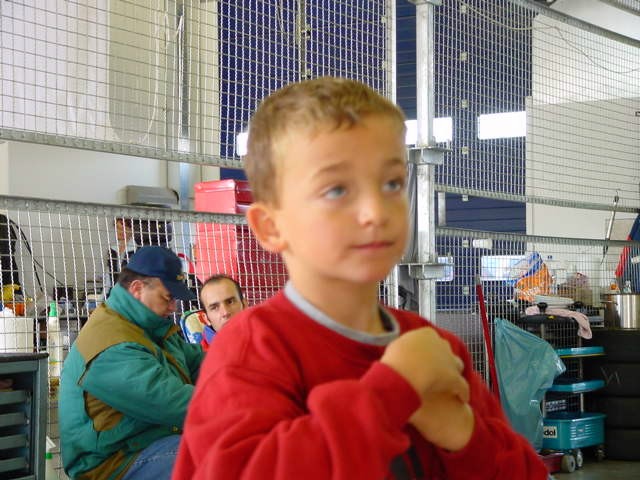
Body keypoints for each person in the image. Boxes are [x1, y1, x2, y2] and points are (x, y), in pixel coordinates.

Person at [173, 77, 547, 479]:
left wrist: (463, 433)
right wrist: (393, 391)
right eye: (336, 189)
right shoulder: (252, 350)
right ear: (271, 226)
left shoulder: (433, 346)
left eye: (391, 183)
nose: (375, 210)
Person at [59, 245, 205, 480]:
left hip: (152, 439)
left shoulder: (149, 326)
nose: (173, 307)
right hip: (113, 461)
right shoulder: (111, 343)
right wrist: (242, 404)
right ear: (137, 289)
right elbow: (174, 403)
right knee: (216, 457)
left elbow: (199, 363)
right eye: (168, 297)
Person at [199, 274, 247, 349]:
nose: (225, 312)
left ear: (244, 305)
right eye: (214, 307)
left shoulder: (264, 337)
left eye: (230, 302)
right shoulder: (201, 355)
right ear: (206, 319)